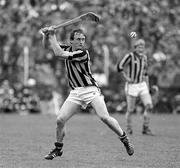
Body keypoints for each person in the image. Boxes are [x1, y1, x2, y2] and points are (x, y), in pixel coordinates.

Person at [40, 26, 134, 160]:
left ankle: (124, 139)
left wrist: (52, 34)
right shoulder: (66, 48)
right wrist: (46, 36)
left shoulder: (83, 53)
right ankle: (58, 149)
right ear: (71, 41)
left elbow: (58, 54)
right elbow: (47, 47)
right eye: (78, 39)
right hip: (76, 92)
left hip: (91, 90)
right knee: (60, 120)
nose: (81, 42)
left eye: (83, 39)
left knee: (104, 117)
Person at [117, 39, 154, 135]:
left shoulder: (144, 57)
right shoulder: (130, 56)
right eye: (139, 46)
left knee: (149, 105)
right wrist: (127, 78)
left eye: (142, 46)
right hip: (132, 86)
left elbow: (145, 73)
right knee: (130, 109)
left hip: (142, 85)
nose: (141, 48)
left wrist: (148, 87)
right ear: (135, 48)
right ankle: (129, 128)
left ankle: (145, 128)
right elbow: (119, 67)